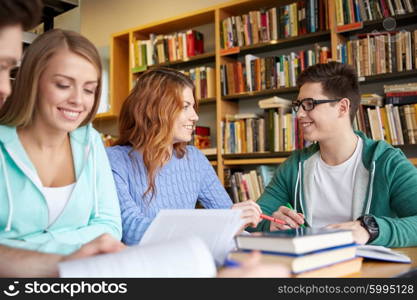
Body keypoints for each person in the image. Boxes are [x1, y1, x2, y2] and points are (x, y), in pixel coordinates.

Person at [251, 61, 417, 247]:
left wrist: (370, 230)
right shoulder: (294, 166)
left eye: (309, 104)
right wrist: (270, 225)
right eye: (299, 105)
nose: (298, 115)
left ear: (342, 108)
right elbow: (254, 222)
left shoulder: (387, 162)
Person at [0, 29, 123, 256]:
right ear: (32, 82)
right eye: (63, 85)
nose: (77, 100)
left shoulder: (91, 140)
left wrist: (23, 246)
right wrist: (71, 248)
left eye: (89, 89)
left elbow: (110, 226)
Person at [106, 67, 262, 245]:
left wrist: (254, 236)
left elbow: (227, 218)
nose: (195, 116)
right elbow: (133, 230)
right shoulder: (113, 160)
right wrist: (215, 225)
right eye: (185, 107)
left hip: (189, 260)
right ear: (155, 109)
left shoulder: (195, 159)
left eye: (193, 107)